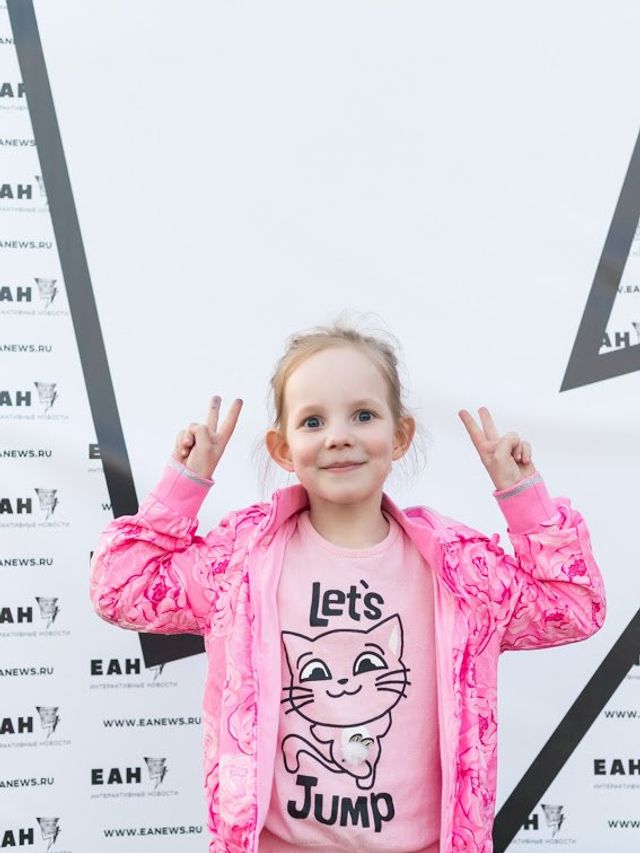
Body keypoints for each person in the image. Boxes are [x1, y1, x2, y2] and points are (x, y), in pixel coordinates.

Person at [90, 322, 606, 853]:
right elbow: (120, 589)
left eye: (363, 415)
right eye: (312, 421)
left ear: (400, 436)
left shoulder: (459, 568)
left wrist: (523, 497)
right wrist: (184, 485)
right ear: (283, 448)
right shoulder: (242, 559)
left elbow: (573, 607)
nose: (338, 436)